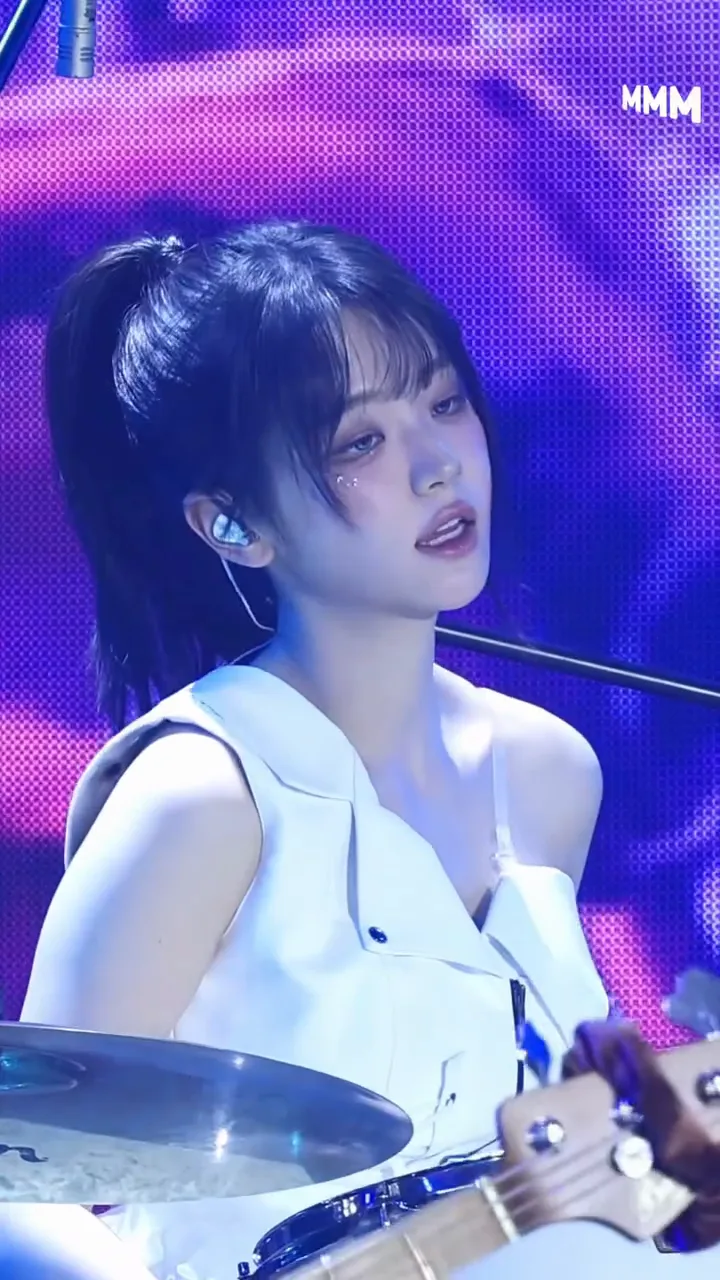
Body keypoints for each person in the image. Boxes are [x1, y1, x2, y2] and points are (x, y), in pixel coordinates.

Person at [16, 219, 610, 1279]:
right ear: (233, 526)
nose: (438, 465)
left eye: (443, 402)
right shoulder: (202, 795)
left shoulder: (548, 771)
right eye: (358, 442)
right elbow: (23, 1182)